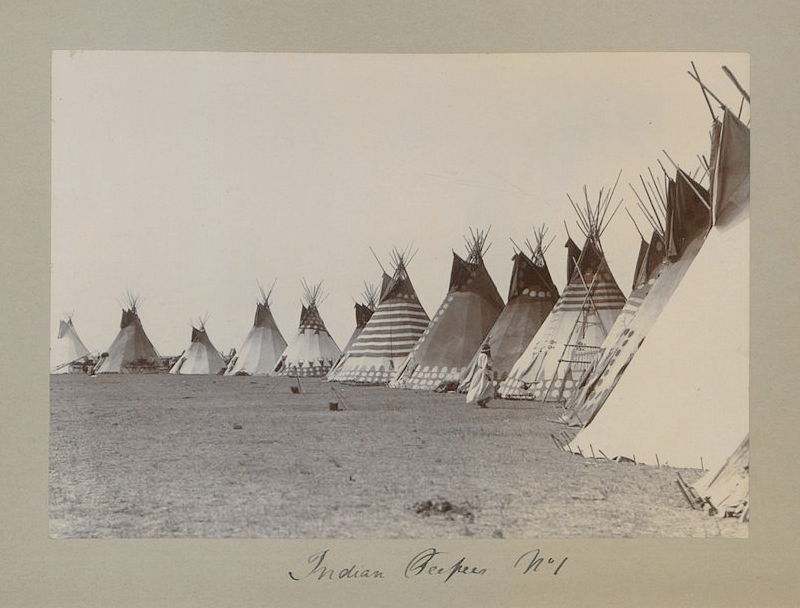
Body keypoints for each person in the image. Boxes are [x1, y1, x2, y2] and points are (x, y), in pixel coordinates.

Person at [466, 342, 496, 408]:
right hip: (484, 373)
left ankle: (481, 401)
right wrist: (487, 375)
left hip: (480, 372)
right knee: (484, 387)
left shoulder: (480, 355)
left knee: (480, 387)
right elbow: (484, 366)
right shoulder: (485, 356)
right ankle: (481, 401)